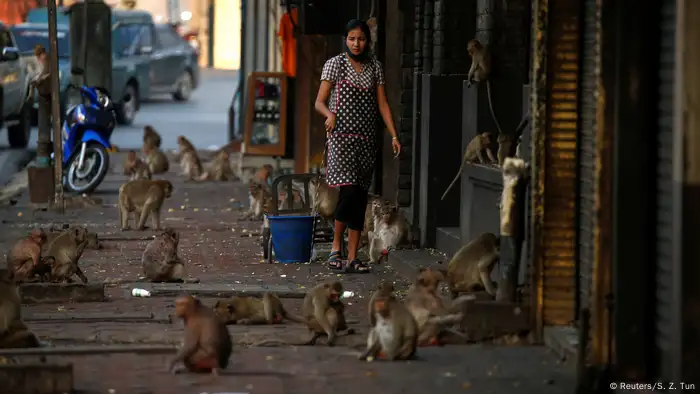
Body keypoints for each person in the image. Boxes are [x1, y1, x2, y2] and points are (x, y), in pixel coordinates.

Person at [314, 19, 401, 274]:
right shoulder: (335, 64)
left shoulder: (375, 67)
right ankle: (335, 248)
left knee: (361, 197)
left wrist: (394, 135)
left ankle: (353, 256)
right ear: (346, 40)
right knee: (349, 191)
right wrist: (329, 114)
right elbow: (319, 102)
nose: (356, 43)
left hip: (366, 139)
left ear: (367, 41)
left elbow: (383, 104)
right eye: (352, 38)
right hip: (340, 137)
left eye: (361, 39)